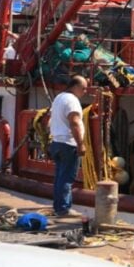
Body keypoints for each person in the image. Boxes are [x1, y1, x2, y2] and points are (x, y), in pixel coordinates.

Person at [48, 75, 87, 217]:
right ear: (75, 87)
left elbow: (51, 119)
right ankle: (64, 208)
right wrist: (80, 144)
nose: (85, 92)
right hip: (68, 143)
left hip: (57, 142)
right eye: (83, 88)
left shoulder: (59, 98)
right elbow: (74, 122)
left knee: (59, 177)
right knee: (67, 178)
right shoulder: (72, 101)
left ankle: (58, 207)